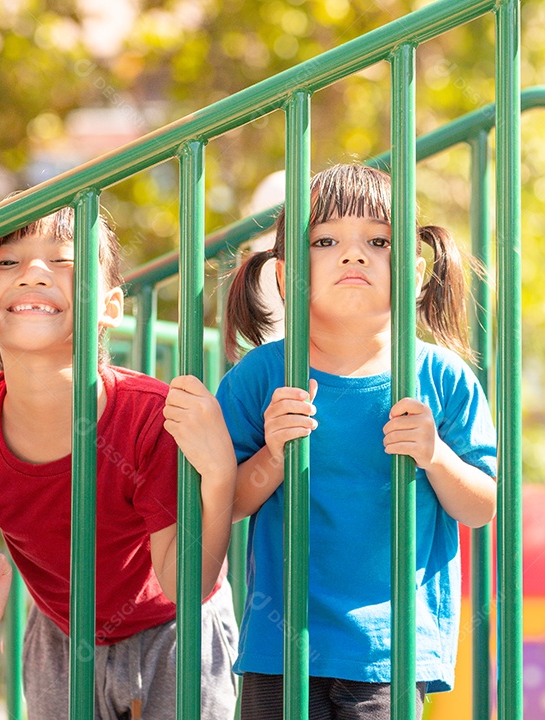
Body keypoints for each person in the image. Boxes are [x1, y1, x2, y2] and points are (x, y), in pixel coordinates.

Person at [0, 206, 239, 718]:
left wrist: (220, 478)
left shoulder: (148, 417)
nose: (33, 273)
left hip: (174, 630)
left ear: (109, 305)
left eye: (61, 260)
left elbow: (185, 587)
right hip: (59, 634)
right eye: (5, 263)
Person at [208, 163, 497, 719]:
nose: (353, 254)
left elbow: (480, 506)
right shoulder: (260, 376)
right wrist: (273, 454)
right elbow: (229, 502)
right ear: (289, 274)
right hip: (281, 646)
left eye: (378, 240)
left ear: (414, 274)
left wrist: (435, 456)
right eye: (326, 240)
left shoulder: (444, 377)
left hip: (390, 653)